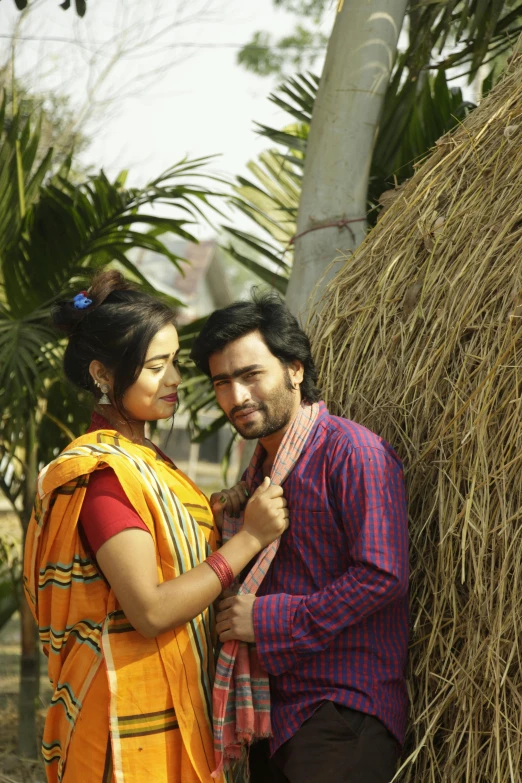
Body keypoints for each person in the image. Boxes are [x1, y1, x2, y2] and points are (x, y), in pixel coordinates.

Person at [23, 270, 289, 783]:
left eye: (174, 364)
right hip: (121, 722)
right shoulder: (105, 475)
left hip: (164, 704)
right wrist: (251, 540)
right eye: (155, 367)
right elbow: (149, 608)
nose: (173, 381)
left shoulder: (149, 463)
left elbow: (170, 546)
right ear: (103, 373)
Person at [190, 291, 409, 783]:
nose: (238, 396)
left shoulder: (353, 452)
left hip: (343, 711)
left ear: (295, 369)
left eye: (251, 375)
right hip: (275, 715)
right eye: (222, 382)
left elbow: (383, 575)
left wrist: (266, 618)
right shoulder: (255, 481)